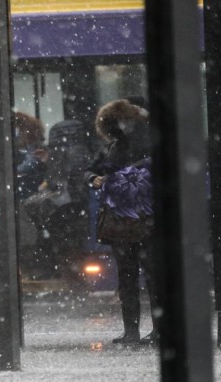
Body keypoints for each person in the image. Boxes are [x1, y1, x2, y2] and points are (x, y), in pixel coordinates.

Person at [85, 98, 157, 345]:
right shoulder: (117, 145)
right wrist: (94, 177)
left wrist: (103, 177)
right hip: (138, 218)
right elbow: (90, 170)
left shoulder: (125, 145)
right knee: (141, 276)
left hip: (130, 218)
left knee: (135, 276)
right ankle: (138, 331)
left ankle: (135, 331)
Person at [13, 112, 48, 200]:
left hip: (31, 186)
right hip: (31, 186)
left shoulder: (32, 144)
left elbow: (30, 163)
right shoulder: (27, 143)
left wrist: (13, 171)